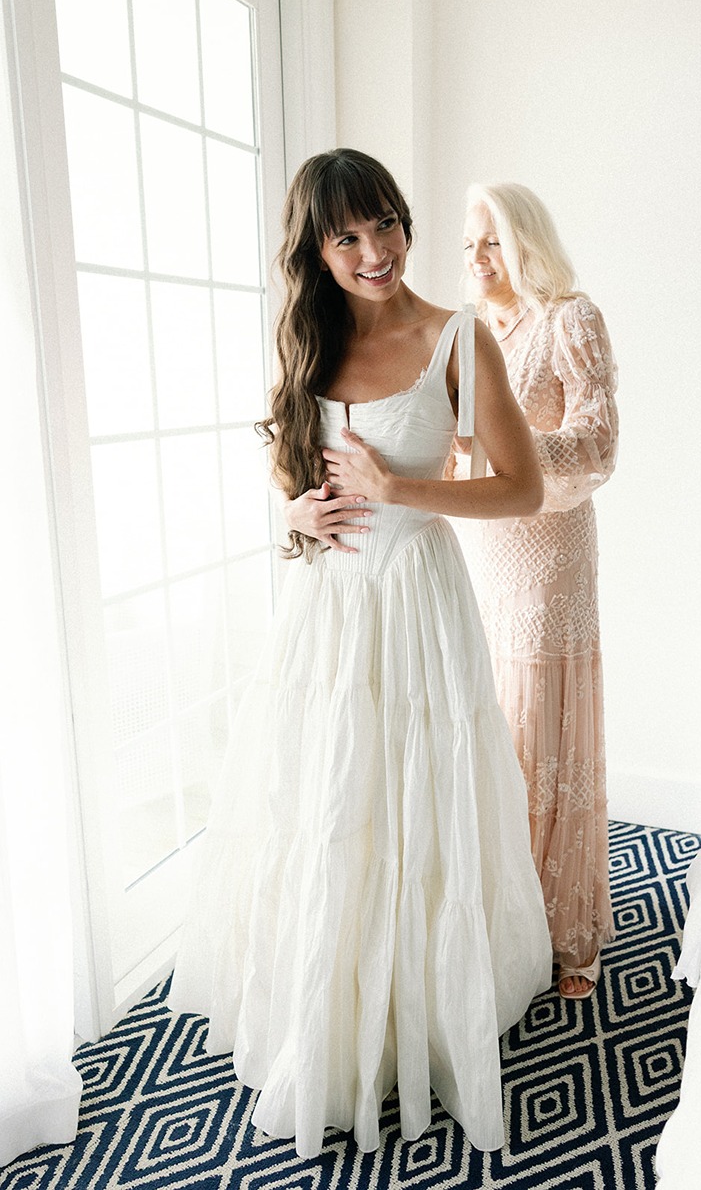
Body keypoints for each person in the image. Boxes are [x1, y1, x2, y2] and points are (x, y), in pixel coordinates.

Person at [168, 149, 552, 1158]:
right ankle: (326, 1000)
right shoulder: (308, 338)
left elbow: (519, 488)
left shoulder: (456, 338)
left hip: (416, 604)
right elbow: (279, 454)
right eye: (348, 236)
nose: (376, 251)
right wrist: (292, 506)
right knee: (324, 800)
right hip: (322, 607)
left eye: (386, 223)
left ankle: (417, 1007)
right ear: (316, 249)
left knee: (413, 797)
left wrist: (402, 491)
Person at [458, 183, 619, 999]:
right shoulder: (471, 333)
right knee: (498, 734)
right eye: (468, 246)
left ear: (524, 240)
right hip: (487, 554)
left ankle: (567, 932)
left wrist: (515, 463)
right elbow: (455, 448)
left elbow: (597, 442)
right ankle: (505, 915)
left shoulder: (571, 319)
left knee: (546, 735)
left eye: (491, 242)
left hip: (551, 556)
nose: (478, 260)